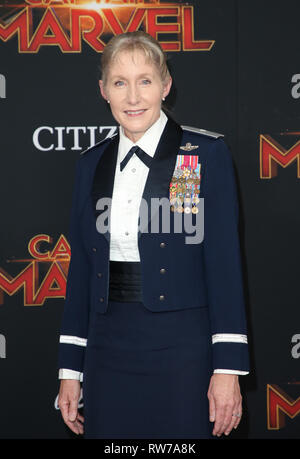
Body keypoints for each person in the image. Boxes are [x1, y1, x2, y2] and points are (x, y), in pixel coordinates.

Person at [57, 31, 249, 439]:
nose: (133, 97)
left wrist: (227, 368)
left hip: (183, 351)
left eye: (145, 81)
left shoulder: (200, 155)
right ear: (103, 90)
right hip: (107, 349)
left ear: (165, 86)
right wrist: (70, 370)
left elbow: (224, 265)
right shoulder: (90, 165)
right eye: (119, 82)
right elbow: (81, 272)